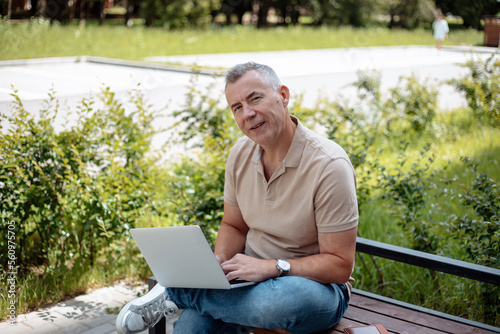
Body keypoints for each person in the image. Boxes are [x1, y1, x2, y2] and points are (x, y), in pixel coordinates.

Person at [115, 62, 359, 334]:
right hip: (246, 284)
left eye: (255, 98)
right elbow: (234, 225)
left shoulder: (329, 165)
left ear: (283, 96)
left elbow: (339, 265)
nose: (248, 113)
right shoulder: (240, 154)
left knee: (276, 303)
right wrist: (218, 265)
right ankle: (193, 295)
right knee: (190, 330)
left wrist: (272, 267)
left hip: (312, 289)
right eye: (237, 107)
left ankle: (176, 294)